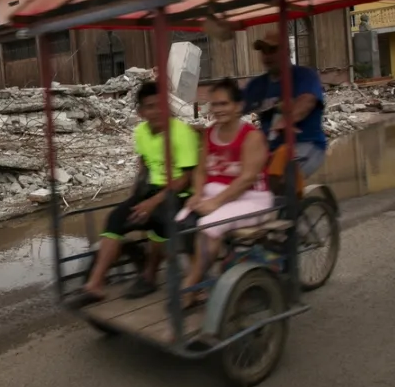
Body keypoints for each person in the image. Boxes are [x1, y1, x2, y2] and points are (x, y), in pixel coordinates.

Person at [76, 81, 200, 304]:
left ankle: (150, 275)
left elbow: (186, 179)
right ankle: (95, 284)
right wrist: (136, 195)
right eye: (150, 107)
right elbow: (144, 162)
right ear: (141, 112)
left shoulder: (181, 133)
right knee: (115, 218)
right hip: (150, 191)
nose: (157, 111)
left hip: (178, 195)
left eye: (161, 105)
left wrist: (153, 202)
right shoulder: (141, 132)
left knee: (160, 219)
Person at [175, 78, 274, 307]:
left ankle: (190, 286)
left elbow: (246, 178)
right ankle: (202, 278)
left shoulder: (251, 136)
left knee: (209, 225)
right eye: (215, 104)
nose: (218, 109)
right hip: (217, 196)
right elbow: (200, 171)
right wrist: (197, 194)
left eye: (224, 104)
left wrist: (215, 203)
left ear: (238, 106)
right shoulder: (210, 133)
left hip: (251, 198)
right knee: (181, 221)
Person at [242, 30, 327, 191]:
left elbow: (307, 101)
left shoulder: (304, 76)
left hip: (306, 145)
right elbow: (237, 106)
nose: (267, 56)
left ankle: (289, 203)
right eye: (263, 51)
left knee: (280, 182)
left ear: (287, 51)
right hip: (270, 149)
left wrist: (285, 121)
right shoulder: (258, 85)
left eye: (272, 50)